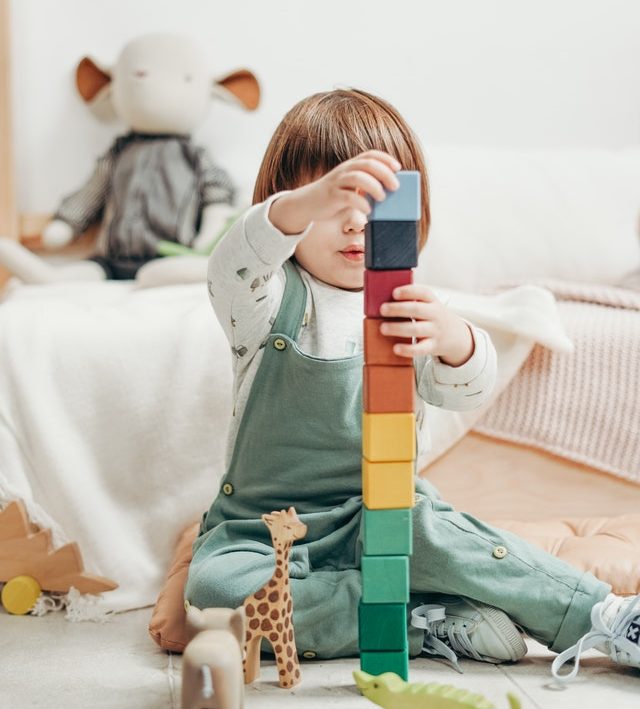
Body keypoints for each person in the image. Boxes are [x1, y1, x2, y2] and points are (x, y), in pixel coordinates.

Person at [185, 88, 640, 682]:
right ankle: (424, 620)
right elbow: (232, 265)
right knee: (216, 591)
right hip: (263, 529)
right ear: (289, 206)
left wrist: (457, 341)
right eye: (334, 200)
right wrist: (303, 204)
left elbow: (465, 392)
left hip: (381, 512)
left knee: (440, 533)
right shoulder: (266, 302)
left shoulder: (406, 307)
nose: (353, 219)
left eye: (373, 202)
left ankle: (604, 614)